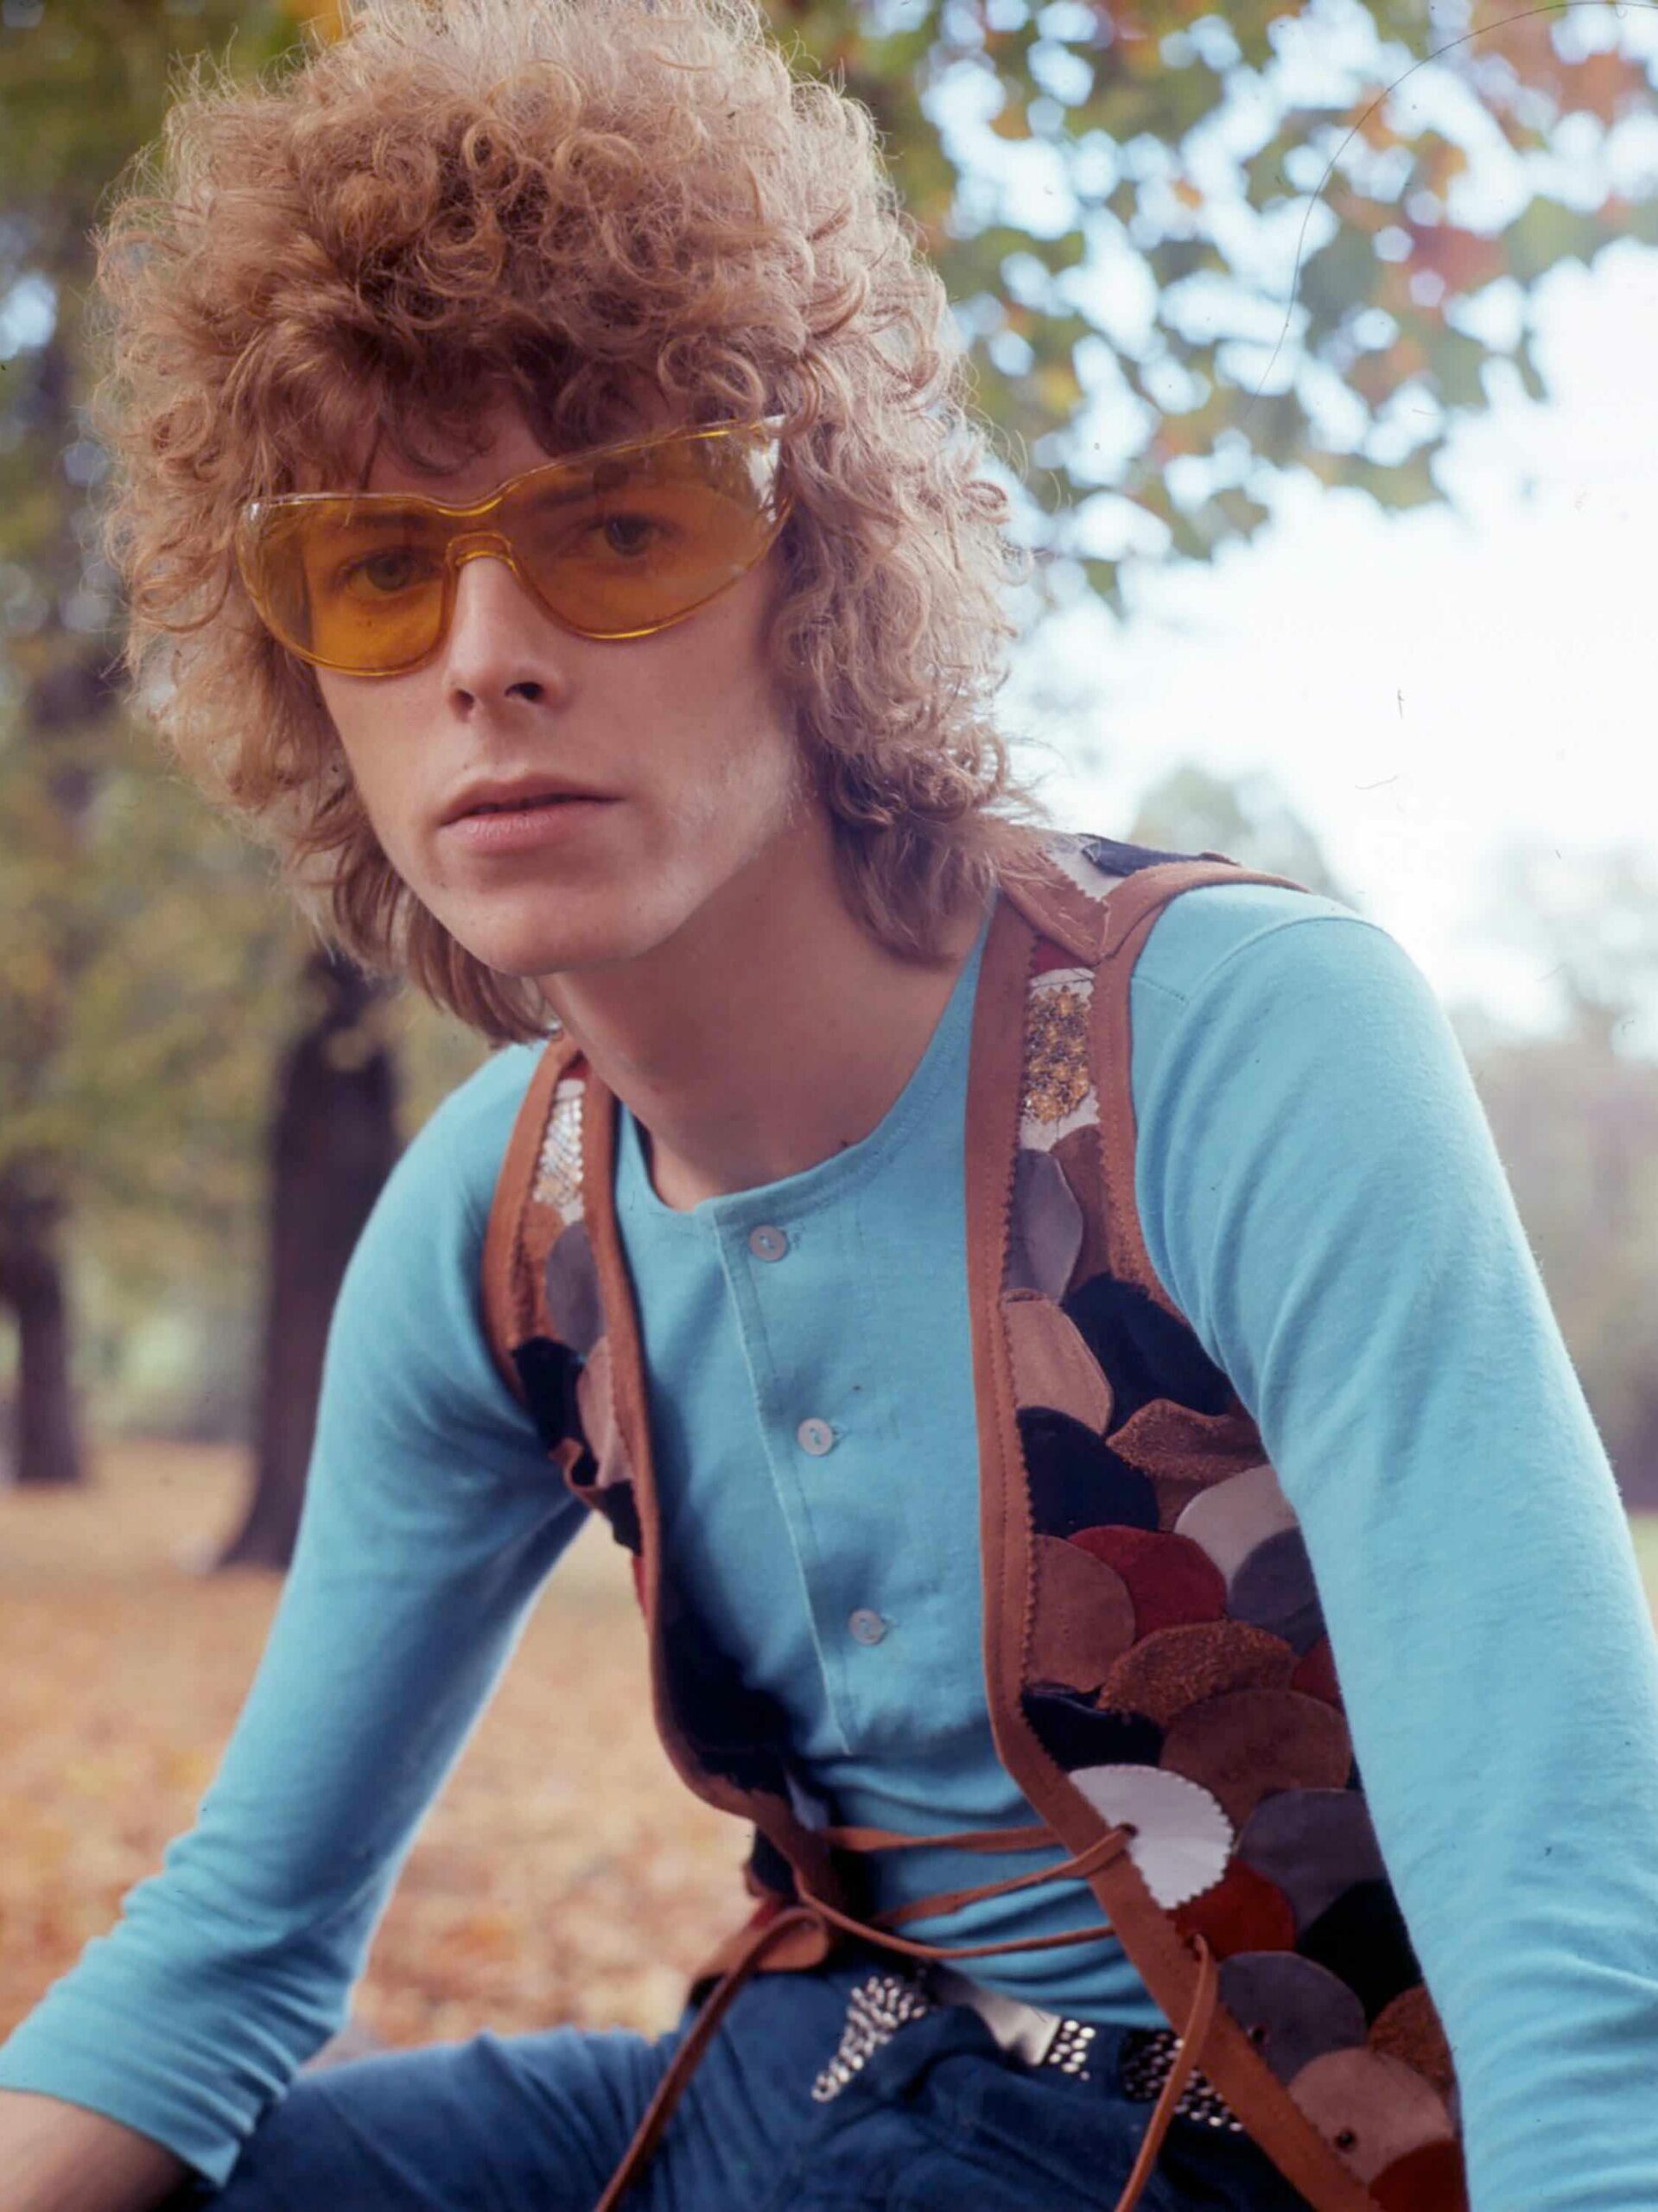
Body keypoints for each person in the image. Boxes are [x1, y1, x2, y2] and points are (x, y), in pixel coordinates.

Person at [3, 1, 1657, 2208]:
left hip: (1260, 2148)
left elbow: (1569, 1909)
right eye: (379, 567)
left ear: (828, 578)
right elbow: (230, 1944)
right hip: (803, 2074)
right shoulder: (502, 1228)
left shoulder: (1234, 1040)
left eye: (617, 530)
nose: (483, 647)